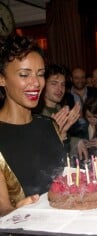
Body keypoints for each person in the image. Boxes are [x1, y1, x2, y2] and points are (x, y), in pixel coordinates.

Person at [0, 35, 66, 216]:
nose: (36, 83)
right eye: (24, 74)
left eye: (40, 74)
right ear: (2, 79)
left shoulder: (50, 126)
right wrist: (15, 213)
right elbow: (2, 207)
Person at [33, 64, 80, 151]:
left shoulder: (61, 110)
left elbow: (65, 141)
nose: (60, 89)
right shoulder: (35, 114)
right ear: (43, 84)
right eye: (54, 83)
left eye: (63, 84)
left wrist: (78, 142)